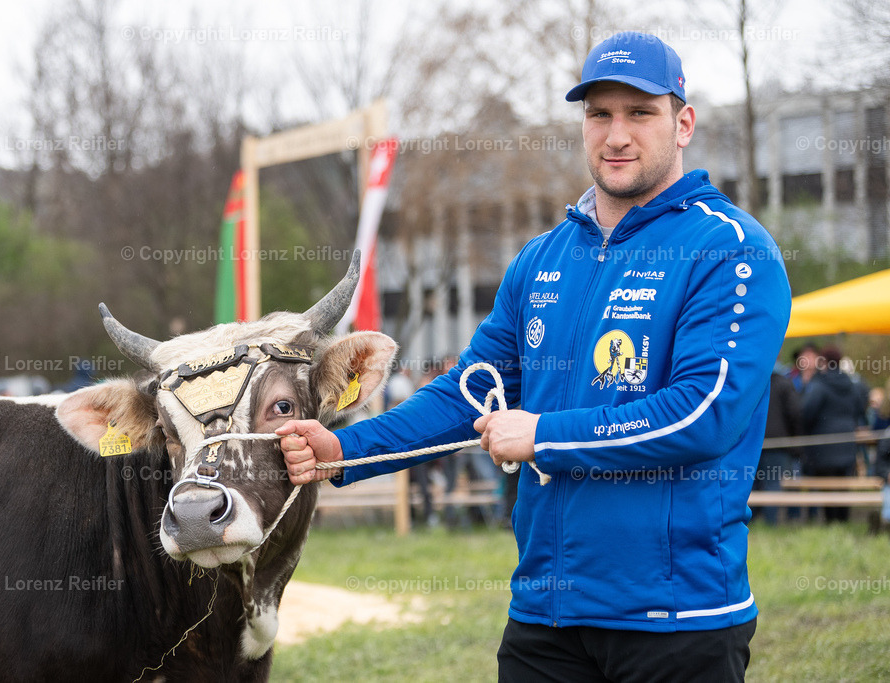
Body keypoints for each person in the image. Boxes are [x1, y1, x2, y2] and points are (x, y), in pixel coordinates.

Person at [278, 31, 790, 682]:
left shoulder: (732, 249)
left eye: (640, 112)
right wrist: (347, 451)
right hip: (544, 619)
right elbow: (473, 389)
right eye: (599, 113)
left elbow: (703, 415)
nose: (617, 134)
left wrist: (543, 435)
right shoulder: (542, 258)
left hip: (676, 621)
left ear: (683, 122)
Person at [800, 344, 868, 523]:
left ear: (824, 361)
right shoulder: (851, 384)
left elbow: (806, 412)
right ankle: (843, 521)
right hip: (847, 444)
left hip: (823, 446)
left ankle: (831, 522)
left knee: (827, 486)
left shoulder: (819, 385)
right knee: (844, 485)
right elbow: (861, 409)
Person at [752, 368, 800, 525]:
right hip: (778, 444)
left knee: (750, 482)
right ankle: (770, 522)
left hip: (753, 443)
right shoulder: (784, 383)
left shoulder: (751, 381)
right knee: (772, 482)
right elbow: (795, 413)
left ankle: (748, 522)